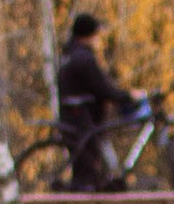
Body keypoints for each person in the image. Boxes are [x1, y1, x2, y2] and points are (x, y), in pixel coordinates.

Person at [54, 11, 141, 191]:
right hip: (84, 118)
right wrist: (128, 96)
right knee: (88, 174)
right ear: (89, 35)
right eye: (96, 34)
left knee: (86, 169)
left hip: (73, 117)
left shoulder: (69, 55)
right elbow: (102, 88)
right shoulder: (84, 58)